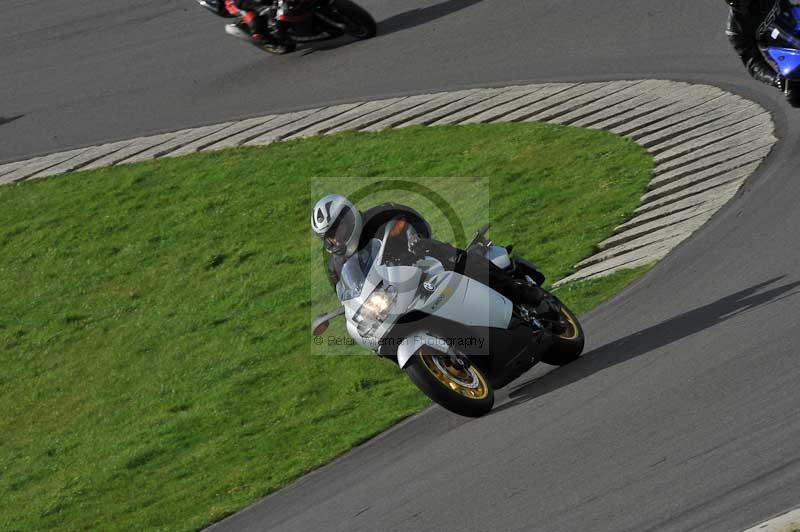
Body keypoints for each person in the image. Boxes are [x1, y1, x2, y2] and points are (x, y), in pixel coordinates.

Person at [310, 194, 558, 318]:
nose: (336, 239)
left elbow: (415, 219)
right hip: (393, 292)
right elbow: (347, 292)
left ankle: (526, 294)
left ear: (350, 216)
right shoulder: (336, 264)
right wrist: (351, 309)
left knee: (463, 264)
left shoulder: (380, 214)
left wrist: (415, 238)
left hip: (420, 260)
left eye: (338, 229)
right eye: (329, 236)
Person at [725, 0, 781, 87]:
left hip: (795, 26)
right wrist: (776, 80)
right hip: (783, 54)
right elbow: (753, 63)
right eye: (739, 4)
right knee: (792, 88)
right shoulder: (736, 30)